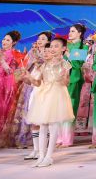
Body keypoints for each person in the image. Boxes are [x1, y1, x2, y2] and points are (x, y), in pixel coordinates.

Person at [25, 37, 73, 167]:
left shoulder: (65, 64)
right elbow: (38, 82)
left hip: (57, 94)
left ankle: (49, 156)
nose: (53, 49)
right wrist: (29, 77)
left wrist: (63, 77)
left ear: (63, 49)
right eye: (51, 46)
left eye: (56, 46)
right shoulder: (44, 64)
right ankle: (41, 155)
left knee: (53, 125)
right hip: (44, 95)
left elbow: (66, 82)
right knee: (43, 125)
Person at [59, 24, 88, 147]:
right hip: (62, 78)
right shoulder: (67, 45)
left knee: (71, 107)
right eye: (69, 31)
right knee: (60, 107)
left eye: (73, 31)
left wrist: (69, 54)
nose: (70, 33)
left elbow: (77, 65)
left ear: (79, 33)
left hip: (74, 79)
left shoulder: (83, 46)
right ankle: (59, 138)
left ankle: (67, 139)